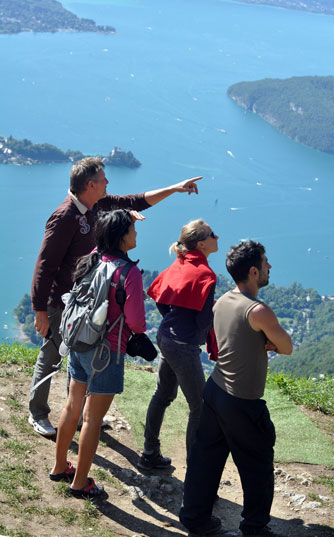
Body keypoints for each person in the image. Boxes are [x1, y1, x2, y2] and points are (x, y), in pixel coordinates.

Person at [28, 156, 201, 436]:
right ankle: (37, 413)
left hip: (86, 299)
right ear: (90, 184)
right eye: (103, 179)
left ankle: (85, 416)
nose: (108, 182)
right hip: (62, 301)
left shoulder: (97, 205)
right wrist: (40, 309)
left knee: (82, 354)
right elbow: (45, 264)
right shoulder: (65, 217)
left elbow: (135, 201)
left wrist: (175, 187)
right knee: (51, 355)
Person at [179, 240, 293, 537]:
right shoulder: (259, 311)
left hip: (214, 390)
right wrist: (270, 341)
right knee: (256, 463)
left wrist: (262, 341)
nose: (270, 267)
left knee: (205, 459)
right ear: (254, 271)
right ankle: (255, 529)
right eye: (266, 263)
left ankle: (195, 520)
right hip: (242, 400)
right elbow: (287, 346)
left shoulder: (223, 301)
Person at [49, 209, 145, 498]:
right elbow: (137, 322)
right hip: (108, 351)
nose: (136, 233)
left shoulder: (90, 260)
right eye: (131, 229)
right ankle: (80, 484)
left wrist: (120, 217)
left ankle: (59, 467)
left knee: (72, 405)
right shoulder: (129, 273)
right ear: (121, 236)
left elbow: (100, 242)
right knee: (92, 419)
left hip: (79, 341)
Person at [137, 219, 219, 470]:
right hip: (183, 345)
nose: (218, 236)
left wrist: (173, 320)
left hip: (166, 337)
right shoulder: (206, 275)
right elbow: (204, 320)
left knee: (163, 395)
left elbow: (159, 295)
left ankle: (149, 453)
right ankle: (196, 476)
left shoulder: (180, 263)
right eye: (213, 234)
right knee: (200, 408)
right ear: (202, 243)